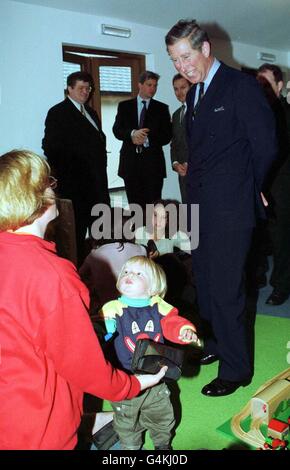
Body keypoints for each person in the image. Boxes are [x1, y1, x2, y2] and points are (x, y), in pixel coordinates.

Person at [0, 150, 166, 450]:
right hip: (37, 426)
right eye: (49, 182)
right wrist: (133, 384)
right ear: (39, 197)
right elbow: (84, 365)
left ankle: (96, 421)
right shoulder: (52, 275)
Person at [165, 19, 277, 397]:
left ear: (206, 48)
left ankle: (237, 369)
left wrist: (253, 187)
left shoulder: (241, 86)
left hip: (231, 208)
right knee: (207, 284)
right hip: (199, 206)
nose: (182, 66)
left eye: (186, 56)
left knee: (228, 289)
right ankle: (215, 345)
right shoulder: (194, 94)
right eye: (175, 60)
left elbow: (265, 146)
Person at [99, 255, 199, 450]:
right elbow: (102, 331)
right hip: (126, 378)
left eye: (138, 274)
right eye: (126, 271)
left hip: (156, 375)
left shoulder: (158, 306)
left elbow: (172, 322)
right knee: (126, 423)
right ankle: (130, 447)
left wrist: (183, 331)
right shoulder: (113, 307)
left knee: (162, 414)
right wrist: (104, 330)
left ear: (153, 287)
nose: (129, 275)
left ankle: (162, 444)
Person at [42, 71, 110, 266]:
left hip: (97, 184)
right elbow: (51, 148)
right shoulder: (58, 113)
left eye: (88, 88)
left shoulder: (91, 113)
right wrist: (74, 170)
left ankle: (99, 271)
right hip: (76, 186)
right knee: (76, 236)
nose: (85, 92)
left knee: (100, 231)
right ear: (69, 88)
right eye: (80, 88)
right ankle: (77, 274)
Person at [112, 71, 172, 211]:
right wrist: (132, 134)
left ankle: (153, 232)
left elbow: (167, 135)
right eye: (149, 85)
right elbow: (117, 130)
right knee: (135, 206)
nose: (153, 89)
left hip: (153, 166)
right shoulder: (124, 106)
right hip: (130, 164)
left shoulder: (162, 108)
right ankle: (138, 232)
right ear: (140, 85)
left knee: (153, 205)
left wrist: (146, 139)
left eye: (155, 85)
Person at [256, 64, 290, 305]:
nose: (263, 89)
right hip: (256, 184)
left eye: (268, 84)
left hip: (281, 185)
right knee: (257, 234)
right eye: (260, 84)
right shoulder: (254, 111)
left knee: (281, 239)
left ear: (280, 86)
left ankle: (282, 285)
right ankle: (258, 277)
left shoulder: (287, 114)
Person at [79, 208, 147, 308]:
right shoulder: (141, 250)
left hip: (108, 308)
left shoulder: (95, 255)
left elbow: (79, 278)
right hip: (138, 305)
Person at [170, 73, 192, 203]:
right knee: (189, 212)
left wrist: (189, 163)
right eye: (176, 89)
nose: (179, 92)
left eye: (183, 87)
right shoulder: (176, 114)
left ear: (191, 87)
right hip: (182, 173)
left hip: (199, 171)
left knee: (202, 214)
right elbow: (174, 143)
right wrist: (175, 163)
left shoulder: (200, 111)